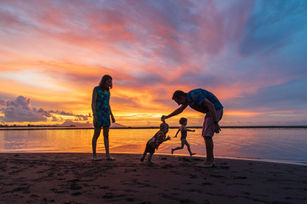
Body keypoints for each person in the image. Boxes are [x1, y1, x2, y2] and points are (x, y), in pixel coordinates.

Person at [161, 89, 223, 167]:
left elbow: (211, 105)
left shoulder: (194, 95)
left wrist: (215, 123)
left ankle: (210, 161)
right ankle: (210, 160)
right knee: (205, 135)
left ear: (181, 97)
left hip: (215, 110)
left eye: (178, 102)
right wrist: (167, 117)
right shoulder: (189, 99)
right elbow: (180, 110)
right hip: (210, 112)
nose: (179, 104)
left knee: (207, 135)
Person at [91, 75, 116, 161]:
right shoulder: (96, 89)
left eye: (110, 81)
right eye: (108, 81)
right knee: (96, 134)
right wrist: (94, 114)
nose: (110, 83)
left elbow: (108, 104)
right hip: (98, 114)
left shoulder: (108, 92)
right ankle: (94, 155)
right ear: (104, 81)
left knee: (106, 135)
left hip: (106, 115)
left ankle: (108, 155)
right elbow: (93, 102)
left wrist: (112, 115)